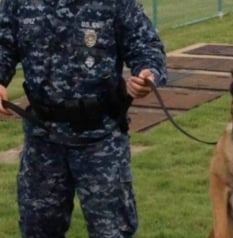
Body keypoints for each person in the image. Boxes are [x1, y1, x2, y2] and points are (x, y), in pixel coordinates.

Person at [0, 0, 167, 237]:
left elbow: (146, 46)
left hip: (101, 141)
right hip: (43, 141)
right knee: (37, 228)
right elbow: (4, 45)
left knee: (111, 231)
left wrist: (148, 74)